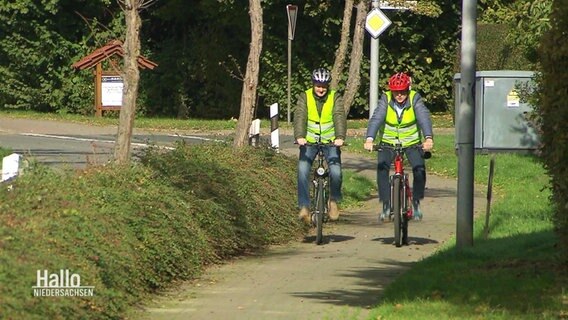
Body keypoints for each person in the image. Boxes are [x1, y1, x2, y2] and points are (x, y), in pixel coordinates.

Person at [363, 72, 434, 221]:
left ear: (408, 90)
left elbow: (423, 117)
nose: (399, 95)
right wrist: (369, 139)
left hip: (411, 143)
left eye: (402, 92)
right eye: (396, 92)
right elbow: (377, 118)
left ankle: (415, 202)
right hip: (388, 143)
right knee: (382, 168)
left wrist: (428, 138)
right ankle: (386, 204)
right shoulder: (386, 99)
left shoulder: (415, 99)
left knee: (419, 170)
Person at [294, 67, 347, 224]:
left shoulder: (334, 97)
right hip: (309, 141)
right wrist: (299, 136)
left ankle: (333, 201)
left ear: (328, 86)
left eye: (324, 86)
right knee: (303, 170)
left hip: (330, 141)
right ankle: (304, 207)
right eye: (318, 85)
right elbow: (300, 116)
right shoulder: (305, 97)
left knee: (336, 172)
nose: (321, 89)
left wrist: (340, 137)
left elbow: (339, 115)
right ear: (313, 84)